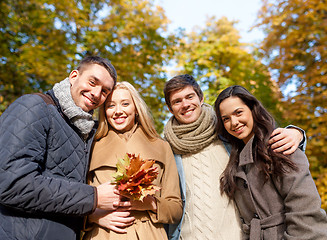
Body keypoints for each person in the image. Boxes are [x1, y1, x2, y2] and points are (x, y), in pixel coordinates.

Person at [0, 56, 130, 240]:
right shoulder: (34, 107)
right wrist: (93, 198)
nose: (96, 93)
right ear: (73, 76)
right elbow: (10, 183)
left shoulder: (85, 131)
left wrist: (91, 215)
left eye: (104, 92)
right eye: (92, 82)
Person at [163, 74, 306, 240]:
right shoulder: (166, 148)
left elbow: (264, 137)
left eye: (189, 96)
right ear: (170, 108)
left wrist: (297, 133)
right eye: (177, 101)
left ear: (200, 98)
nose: (185, 104)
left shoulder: (226, 132)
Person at [214, 85, 327, 239]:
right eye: (226, 119)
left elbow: (304, 212)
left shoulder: (280, 145)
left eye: (238, 112)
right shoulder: (234, 158)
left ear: (253, 109)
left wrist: (297, 133)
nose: (234, 122)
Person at [83, 81, 182, 239]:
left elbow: (175, 209)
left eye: (125, 103)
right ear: (104, 111)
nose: (118, 111)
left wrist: (150, 203)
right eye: (110, 106)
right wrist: (95, 216)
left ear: (136, 108)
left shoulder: (161, 146)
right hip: (103, 234)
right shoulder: (90, 146)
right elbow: (74, 199)